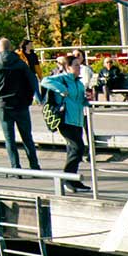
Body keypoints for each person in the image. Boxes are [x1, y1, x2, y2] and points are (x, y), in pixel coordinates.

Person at [0, 37, 41, 172]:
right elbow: (32, 82)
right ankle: (34, 166)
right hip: (21, 104)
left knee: (9, 139)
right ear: (11, 48)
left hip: (3, 105)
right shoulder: (20, 64)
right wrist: (28, 99)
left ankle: (15, 168)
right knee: (27, 137)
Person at [39, 51, 91, 192]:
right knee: (78, 148)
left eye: (79, 65)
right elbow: (45, 81)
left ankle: (73, 180)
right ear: (68, 68)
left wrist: (87, 99)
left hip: (77, 120)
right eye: (75, 65)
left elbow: (79, 99)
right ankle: (67, 179)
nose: (78, 67)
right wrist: (62, 89)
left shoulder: (79, 83)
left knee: (73, 150)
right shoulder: (62, 79)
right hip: (65, 119)